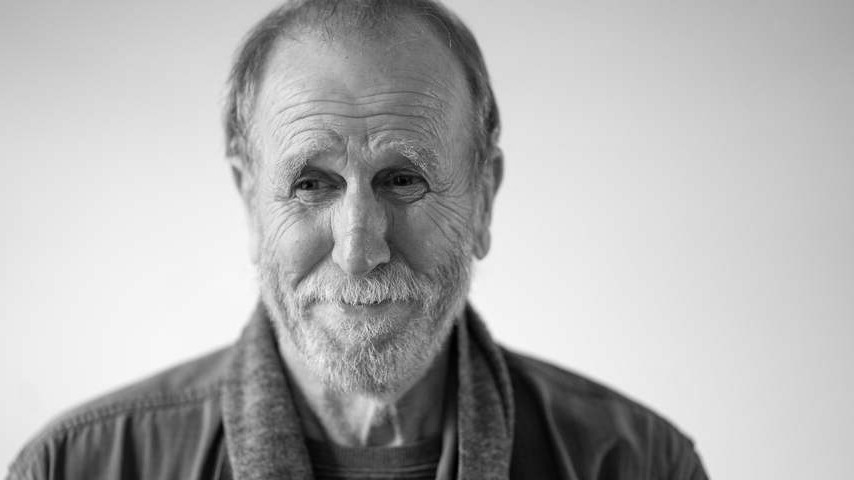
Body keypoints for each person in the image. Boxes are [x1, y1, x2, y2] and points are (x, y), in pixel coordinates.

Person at [7, 0, 709, 478]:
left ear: (484, 198)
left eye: (402, 179)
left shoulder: (637, 463)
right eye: (312, 183)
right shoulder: (78, 466)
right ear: (250, 202)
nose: (358, 248)